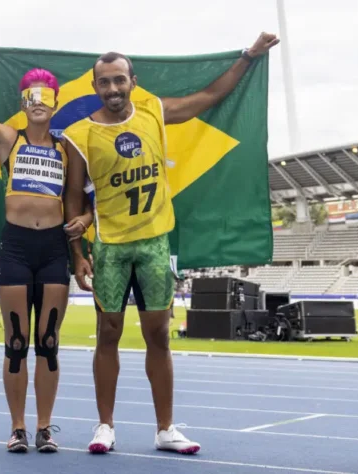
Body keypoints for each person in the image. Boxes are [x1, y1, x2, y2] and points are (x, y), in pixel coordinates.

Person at [62, 32, 280, 455]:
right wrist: (78, 253)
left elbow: (210, 96)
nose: (112, 88)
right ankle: (104, 426)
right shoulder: (79, 134)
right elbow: (73, 196)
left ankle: (165, 429)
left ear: (132, 81)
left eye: (119, 80)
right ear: (95, 87)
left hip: (154, 245)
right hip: (110, 247)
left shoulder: (153, 112)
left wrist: (247, 57)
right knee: (107, 333)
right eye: (104, 82)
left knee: (158, 336)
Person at [0, 44, 93, 453]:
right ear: (23, 103)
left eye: (46, 95)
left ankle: (45, 427)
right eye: (32, 95)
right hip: (15, 247)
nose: (39, 102)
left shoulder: (68, 149)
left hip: (53, 250)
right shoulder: (8, 138)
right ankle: (18, 428)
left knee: (48, 342)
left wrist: (86, 229)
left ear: (56, 101)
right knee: (15, 344)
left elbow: (86, 201)